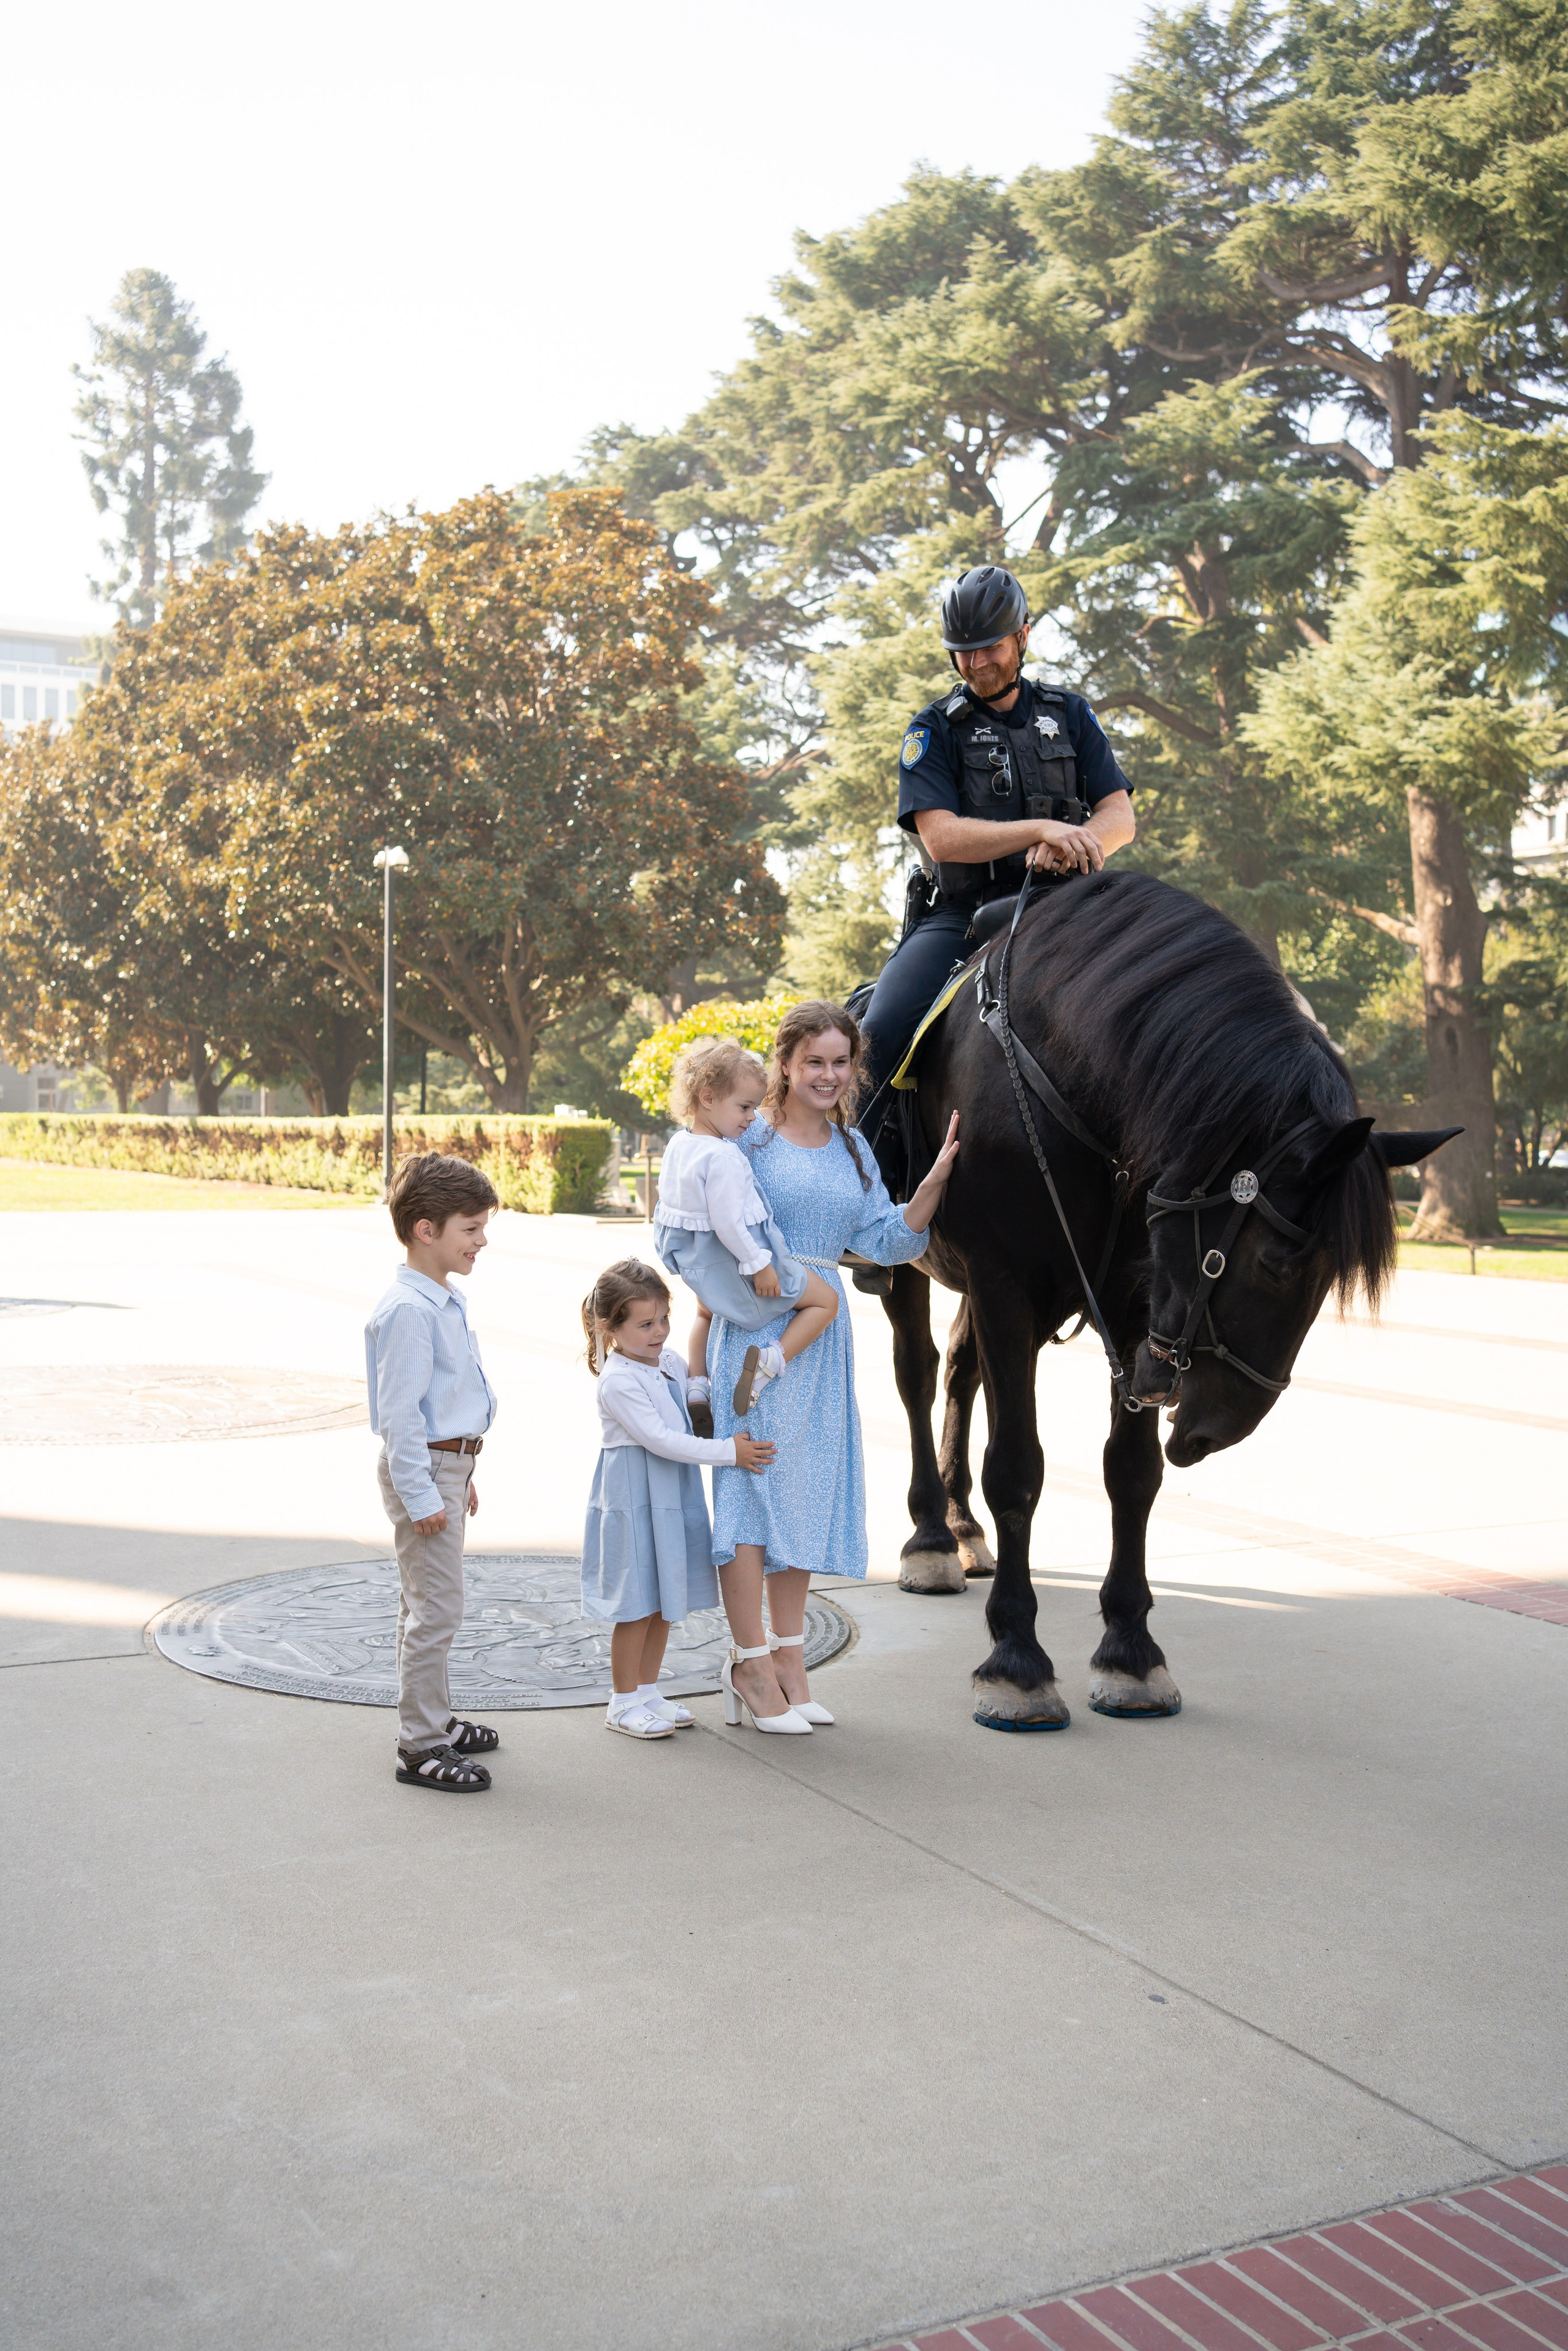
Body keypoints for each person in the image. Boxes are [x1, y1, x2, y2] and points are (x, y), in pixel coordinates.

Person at [706, 1000, 960, 1734]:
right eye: (812, 1060)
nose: (827, 1074)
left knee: (804, 1493)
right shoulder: (748, 1139)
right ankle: (748, 1662)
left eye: (840, 1061)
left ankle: (790, 1662)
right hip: (760, 1329)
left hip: (824, 1343)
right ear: (784, 1062)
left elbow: (885, 1239)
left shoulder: (853, 1147)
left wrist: (936, 1180)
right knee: (752, 1500)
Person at [859, 563, 1136, 1158]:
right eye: (962, 653)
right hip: (963, 916)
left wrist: (1082, 841)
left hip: (1070, 907)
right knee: (877, 1033)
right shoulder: (932, 730)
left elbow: (1118, 813)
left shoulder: (1070, 713)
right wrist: (1038, 829)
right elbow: (942, 838)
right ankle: (857, 1190)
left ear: (1023, 636)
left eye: (989, 648)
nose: (977, 663)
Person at [582, 1258, 776, 1739]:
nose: (659, 1332)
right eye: (645, 1324)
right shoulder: (619, 1381)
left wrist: (699, 1379)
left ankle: (647, 1692)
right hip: (636, 1498)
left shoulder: (665, 1362)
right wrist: (729, 1453)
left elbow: (691, 1381)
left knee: (666, 1598)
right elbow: (664, 1440)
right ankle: (622, 1701)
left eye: (664, 1319)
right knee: (638, 1603)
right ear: (610, 1328)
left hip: (671, 1494)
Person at [364, 1150, 502, 1794]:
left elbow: (440, 1403)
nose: (481, 1240)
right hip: (424, 1469)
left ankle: (437, 1718)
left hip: (446, 1464)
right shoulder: (409, 1312)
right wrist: (424, 1491)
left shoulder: (441, 1298)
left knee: (428, 1602)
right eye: (470, 1228)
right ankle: (420, 1745)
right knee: (437, 1608)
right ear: (428, 1230)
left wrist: (461, 1467)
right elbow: (400, 1420)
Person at [653, 1035, 842, 1422]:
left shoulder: (679, 1144)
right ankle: (771, 1363)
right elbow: (728, 1221)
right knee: (827, 1302)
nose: (751, 1117)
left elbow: (667, 1207)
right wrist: (760, 1263)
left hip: (701, 1262)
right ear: (707, 1097)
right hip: (740, 1262)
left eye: (754, 1107)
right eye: (744, 1107)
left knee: (704, 1315)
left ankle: (698, 1383)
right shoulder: (722, 1155)